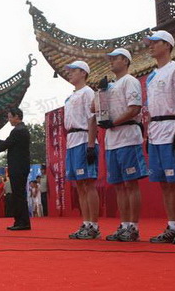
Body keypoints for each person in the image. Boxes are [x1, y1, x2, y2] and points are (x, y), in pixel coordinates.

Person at [144, 30, 175, 244]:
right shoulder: (152, 75)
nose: (151, 46)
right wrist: (148, 134)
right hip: (155, 132)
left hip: (172, 128)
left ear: (167, 45)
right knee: (164, 183)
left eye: (155, 43)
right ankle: (172, 226)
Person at [97, 48, 147, 242]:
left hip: (127, 137)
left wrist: (115, 122)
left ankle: (133, 227)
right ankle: (124, 224)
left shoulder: (130, 81)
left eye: (116, 58)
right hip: (112, 141)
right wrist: (101, 91)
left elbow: (134, 108)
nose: (112, 62)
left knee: (131, 183)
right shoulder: (109, 87)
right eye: (110, 59)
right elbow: (95, 109)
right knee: (118, 185)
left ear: (125, 61)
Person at [63, 60, 100, 239]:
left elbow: (92, 119)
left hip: (85, 139)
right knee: (79, 185)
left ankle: (93, 225)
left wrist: (91, 145)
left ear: (83, 73)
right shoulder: (70, 97)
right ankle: (85, 223)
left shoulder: (88, 93)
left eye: (73, 71)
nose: (69, 74)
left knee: (88, 183)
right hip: (72, 141)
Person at [0, 107, 31, 230]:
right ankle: (20, 222)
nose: (9, 120)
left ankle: (23, 222)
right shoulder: (20, 130)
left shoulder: (19, 130)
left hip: (19, 167)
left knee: (19, 195)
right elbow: (8, 142)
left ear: (17, 117)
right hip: (19, 167)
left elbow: (7, 144)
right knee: (18, 194)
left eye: (10, 117)